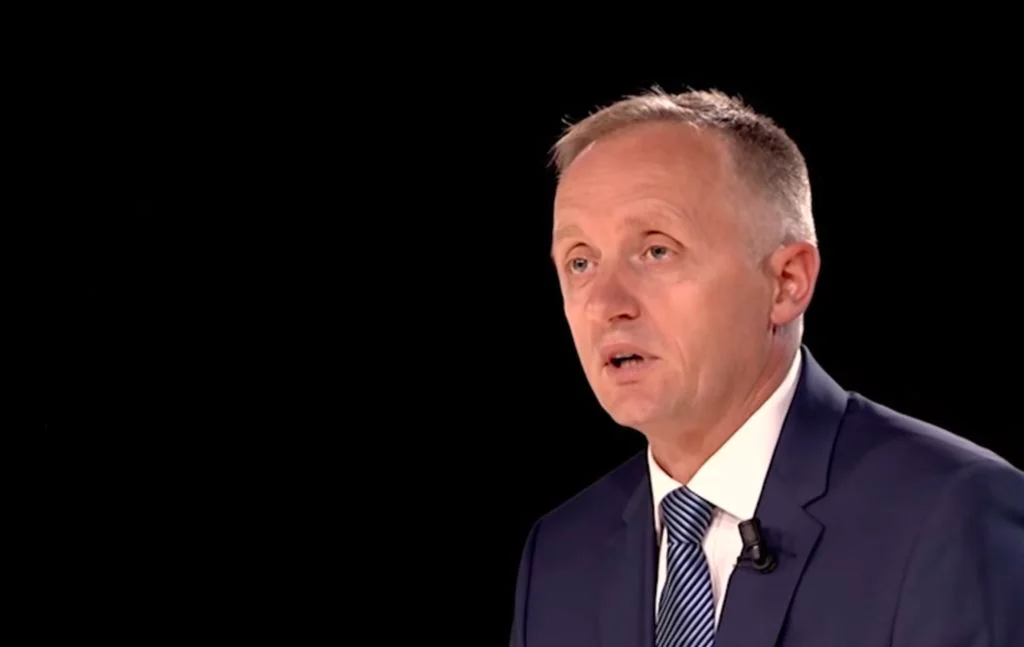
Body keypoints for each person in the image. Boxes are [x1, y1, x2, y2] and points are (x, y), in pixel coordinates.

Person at [509, 87, 1024, 647]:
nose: (606, 304)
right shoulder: (560, 556)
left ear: (786, 282)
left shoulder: (952, 513)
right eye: (580, 262)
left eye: (657, 250)